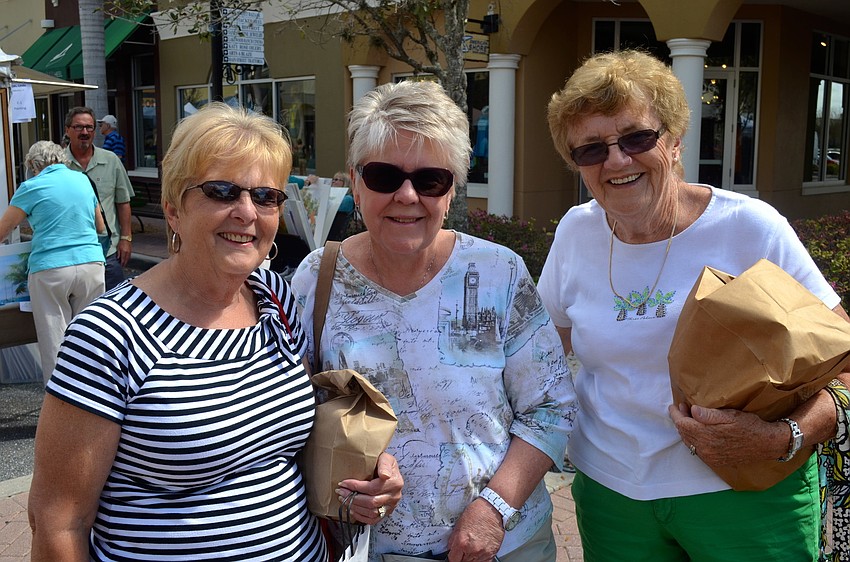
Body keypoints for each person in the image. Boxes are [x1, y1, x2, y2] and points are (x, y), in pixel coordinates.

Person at [28, 102, 403, 561]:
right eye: (222, 191)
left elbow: (281, 447)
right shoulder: (109, 333)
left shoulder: (274, 299)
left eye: (266, 196)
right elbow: (58, 520)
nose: (246, 212)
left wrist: (364, 476)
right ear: (173, 209)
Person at [539, 49, 850, 561]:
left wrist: (783, 437)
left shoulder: (749, 228)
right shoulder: (576, 231)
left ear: (676, 140)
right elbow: (542, 355)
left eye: (637, 138)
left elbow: (844, 363)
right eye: (590, 149)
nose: (616, 160)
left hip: (745, 495)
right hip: (612, 495)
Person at [291, 80, 577, 561]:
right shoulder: (315, 278)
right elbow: (289, 415)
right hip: (366, 550)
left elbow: (551, 408)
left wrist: (492, 509)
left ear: (452, 187)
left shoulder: (497, 273)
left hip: (502, 546)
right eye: (384, 176)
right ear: (355, 182)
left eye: (430, 180)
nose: (407, 196)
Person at [0, 141, 105, 385]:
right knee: (91, 335)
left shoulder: (32, 186)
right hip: (91, 264)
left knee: (54, 340)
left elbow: (4, 229)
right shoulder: (82, 180)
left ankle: (61, 407)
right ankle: (96, 395)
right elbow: (100, 226)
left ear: (33, 165)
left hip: (51, 268)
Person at [64, 106, 135, 290]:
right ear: (67, 130)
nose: (85, 132)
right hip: (71, 253)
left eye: (89, 127)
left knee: (113, 309)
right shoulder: (58, 164)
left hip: (108, 252)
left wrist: (126, 238)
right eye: (78, 127)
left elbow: (123, 202)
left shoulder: (111, 160)